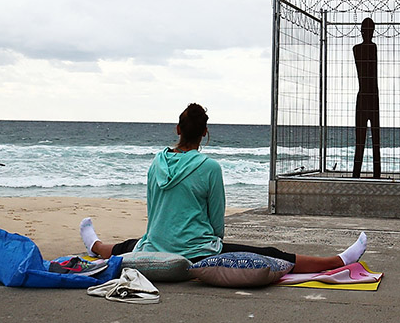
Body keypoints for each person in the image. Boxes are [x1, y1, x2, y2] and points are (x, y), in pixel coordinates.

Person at [79, 103, 368, 273]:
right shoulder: (209, 168)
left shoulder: (157, 162)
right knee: (268, 253)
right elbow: (217, 225)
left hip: (157, 243)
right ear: (205, 132)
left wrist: (160, 237)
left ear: (177, 129)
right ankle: (335, 260)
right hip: (196, 252)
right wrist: (211, 246)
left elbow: (154, 210)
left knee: (128, 245)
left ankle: (94, 245)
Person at [352, 17, 382, 178]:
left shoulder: (359, 48)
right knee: (370, 139)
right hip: (371, 96)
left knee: (362, 139)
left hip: (364, 96)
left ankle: (358, 173)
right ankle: (375, 173)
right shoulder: (370, 48)